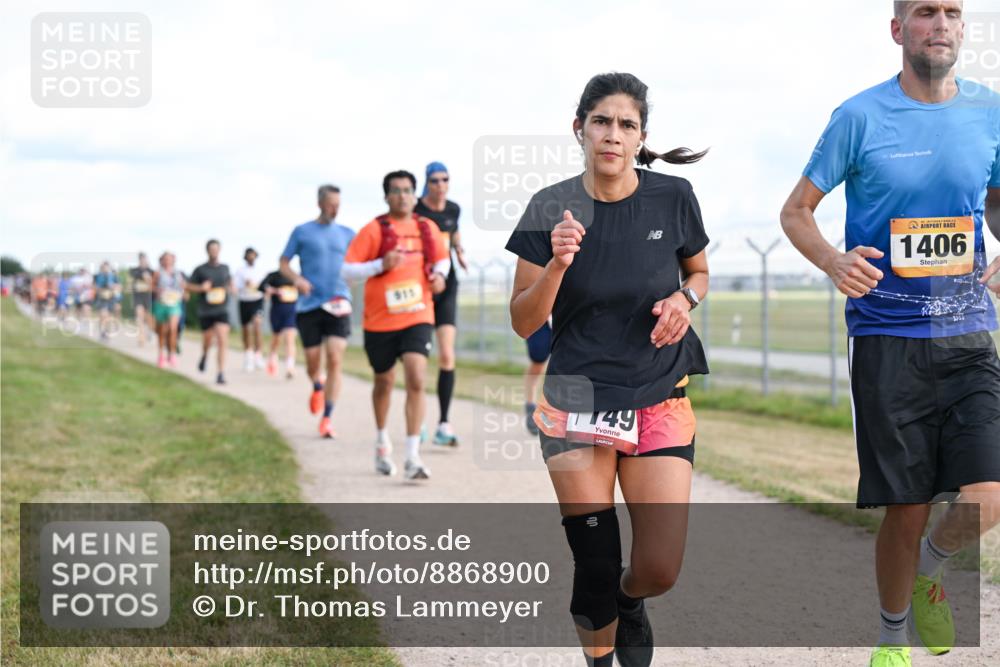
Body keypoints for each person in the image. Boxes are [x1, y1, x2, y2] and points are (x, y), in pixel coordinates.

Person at [779, 3, 1000, 665]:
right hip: (885, 337)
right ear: (899, 29)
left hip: (968, 333)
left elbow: (994, 195)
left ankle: (932, 568)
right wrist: (832, 260)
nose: (941, 23)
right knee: (903, 508)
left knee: (990, 494)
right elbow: (796, 212)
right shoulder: (859, 117)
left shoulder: (990, 110)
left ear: (963, 29)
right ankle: (892, 636)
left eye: (952, 13)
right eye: (925, 12)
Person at [506, 72, 710, 667]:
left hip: (658, 397)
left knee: (658, 568)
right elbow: (523, 321)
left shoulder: (673, 197)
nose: (613, 134)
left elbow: (697, 273)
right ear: (580, 129)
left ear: (641, 135)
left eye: (626, 124)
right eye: (601, 121)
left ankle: (630, 602)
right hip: (575, 402)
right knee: (595, 563)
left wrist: (684, 301)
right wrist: (557, 266)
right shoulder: (549, 206)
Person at [342, 170, 450, 480]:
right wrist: (380, 265)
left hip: (418, 315)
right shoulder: (374, 230)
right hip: (380, 321)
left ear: (415, 195)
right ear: (386, 196)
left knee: (416, 377)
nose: (403, 196)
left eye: (407, 190)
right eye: (396, 191)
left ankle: (413, 456)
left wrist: (440, 276)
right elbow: (347, 271)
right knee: (384, 382)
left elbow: (443, 259)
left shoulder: (426, 227)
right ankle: (381, 439)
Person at [280, 184, 356, 439]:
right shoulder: (302, 232)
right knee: (313, 362)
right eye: (331, 204)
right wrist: (297, 280)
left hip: (339, 301)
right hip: (309, 304)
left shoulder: (347, 234)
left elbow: (359, 263)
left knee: (335, 358)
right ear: (320, 203)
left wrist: (354, 277)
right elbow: (283, 263)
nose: (335, 209)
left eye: (338, 204)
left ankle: (327, 417)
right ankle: (316, 384)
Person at [414, 161, 468, 447]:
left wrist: (459, 251)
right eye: (435, 180)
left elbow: (454, 232)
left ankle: (444, 424)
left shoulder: (453, 209)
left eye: (445, 179)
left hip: (447, 285)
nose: (440, 185)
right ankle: (418, 420)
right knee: (419, 359)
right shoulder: (416, 211)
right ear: (427, 182)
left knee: (447, 355)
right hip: (421, 286)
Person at [187, 239, 234, 385]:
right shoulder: (200, 269)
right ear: (207, 251)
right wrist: (201, 288)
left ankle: (220, 373)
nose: (214, 251)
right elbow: (188, 286)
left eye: (216, 249)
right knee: (207, 340)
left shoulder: (225, 268)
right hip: (206, 310)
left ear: (219, 250)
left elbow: (229, 283)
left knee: (222, 339)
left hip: (221, 309)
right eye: (211, 249)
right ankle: (205, 355)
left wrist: (231, 288)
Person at [261, 268, 299, 379]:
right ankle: (272, 357)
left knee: (289, 338)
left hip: (291, 310)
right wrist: (274, 291)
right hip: (277, 311)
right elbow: (262, 287)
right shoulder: (273, 276)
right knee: (276, 338)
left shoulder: (295, 275)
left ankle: (290, 367)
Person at [234, 247, 267, 372]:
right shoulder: (240, 271)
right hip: (244, 300)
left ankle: (258, 354)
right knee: (246, 329)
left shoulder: (261, 271)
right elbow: (236, 287)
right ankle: (248, 355)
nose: (251, 258)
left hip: (257, 300)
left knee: (257, 325)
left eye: (253, 255)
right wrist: (244, 285)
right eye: (249, 255)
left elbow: (265, 286)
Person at [152, 252, 185, 368]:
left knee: (173, 329)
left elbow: (182, 286)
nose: (167, 261)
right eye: (165, 259)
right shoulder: (158, 273)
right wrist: (158, 290)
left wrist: (184, 294)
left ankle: (171, 354)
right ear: (161, 261)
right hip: (161, 304)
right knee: (162, 331)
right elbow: (152, 287)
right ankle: (161, 354)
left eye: (169, 259)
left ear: (173, 260)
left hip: (174, 304)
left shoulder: (178, 273)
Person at [523, 317, 553, 436]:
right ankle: (531, 407)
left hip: (567, 312)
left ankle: (550, 412)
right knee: (538, 362)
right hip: (541, 316)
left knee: (563, 364)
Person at [129, 252, 155, 347]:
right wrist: (142, 275)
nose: (143, 261)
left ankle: (150, 331)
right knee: (139, 317)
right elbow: (131, 279)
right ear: (139, 260)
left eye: (144, 259)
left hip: (147, 296)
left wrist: (149, 279)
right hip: (138, 296)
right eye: (141, 260)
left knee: (148, 318)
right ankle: (141, 338)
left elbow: (154, 282)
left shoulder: (151, 271)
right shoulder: (134, 270)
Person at [93, 261, 122, 340]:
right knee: (103, 314)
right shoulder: (97, 276)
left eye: (107, 267)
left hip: (111, 298)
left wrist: (113, 286)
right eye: (103, 268)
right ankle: (102, 331)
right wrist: (100, 288)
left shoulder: (113, 276)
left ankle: (107, 331)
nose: (105, 269)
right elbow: (94, 287)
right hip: (101, 298)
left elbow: (119, 286)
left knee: (108, 316)